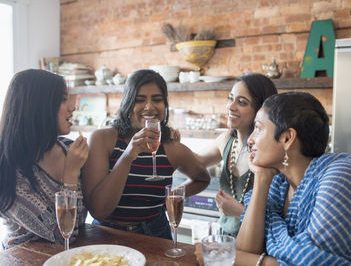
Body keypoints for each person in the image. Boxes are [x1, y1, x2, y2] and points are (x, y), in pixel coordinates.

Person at [234, 92, 351, 265]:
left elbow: (313, 262)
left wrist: (255, 261)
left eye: (258, 128)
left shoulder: (340, 177)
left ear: (287, 138)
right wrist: (261, 181)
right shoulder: (279, 185)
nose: (250, 140)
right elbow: (245, 251)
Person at [82, 69, 210, 240]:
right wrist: (128, 156)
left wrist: (173, 196)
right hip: (106, 234)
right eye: (139, 100)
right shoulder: (102, 139)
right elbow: (98, 211)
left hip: (155, 233)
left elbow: (203, 178)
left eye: (157, 99)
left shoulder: (172, 148)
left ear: (165, 105)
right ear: (128, 104)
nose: (149, 106)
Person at [0, 69, 88, 249]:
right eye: (63, 99)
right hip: (24, 259)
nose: (72, 107)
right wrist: (70, 174)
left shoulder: (70, 149)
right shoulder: (7, 169)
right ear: (38, 106)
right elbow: (62, 236)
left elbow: (81, 223)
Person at [195, 73, 277, 237]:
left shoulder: (271, 152)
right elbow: (194, 163)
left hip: (257, 245)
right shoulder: (226, 140)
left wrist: (240, 211)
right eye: (230, 98)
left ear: (261, 110)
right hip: (225, 239)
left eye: (241, 102)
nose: (230, 107)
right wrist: (169, 139)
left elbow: (279, 219)